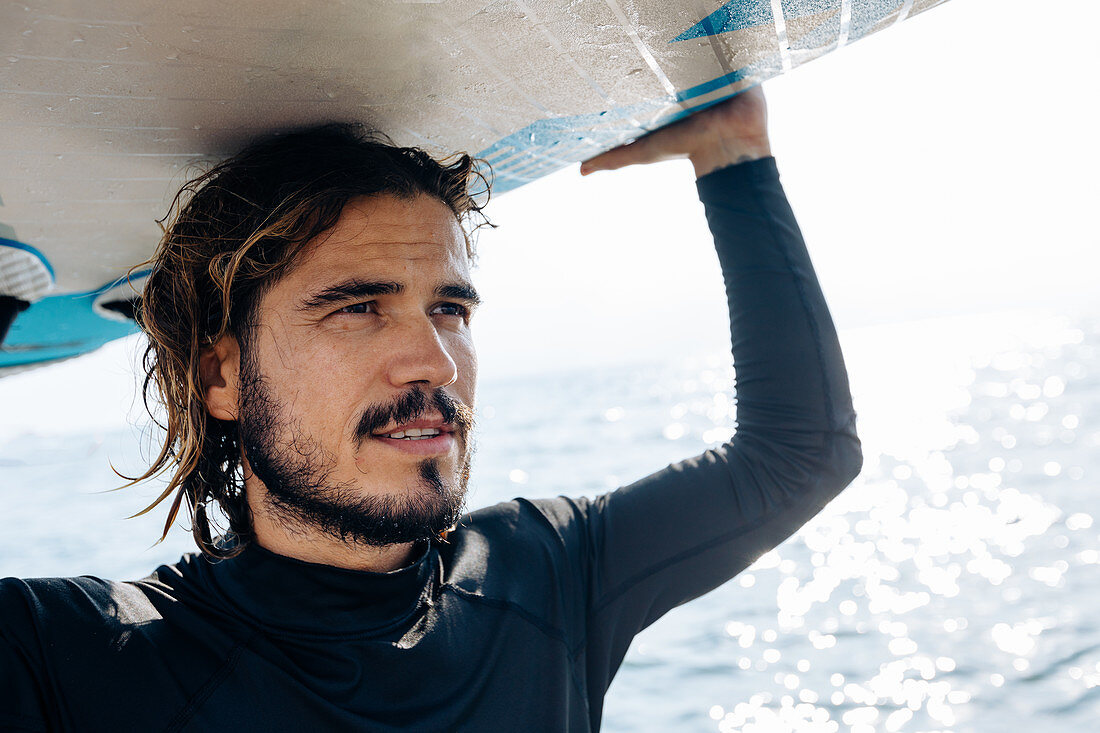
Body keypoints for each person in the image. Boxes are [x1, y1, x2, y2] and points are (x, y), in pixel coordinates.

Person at [0, 86, 861, 731]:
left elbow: (800, 454)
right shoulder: (94, 659)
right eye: (358, 307)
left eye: (450, 308)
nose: (435, 360)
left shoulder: (549, 574)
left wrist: (734, 159)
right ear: (220, 375)